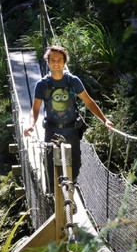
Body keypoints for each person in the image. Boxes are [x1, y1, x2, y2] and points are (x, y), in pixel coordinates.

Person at [23, 45, 114, 192]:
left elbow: (89, 101)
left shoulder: (73, 81)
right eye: (53, 60)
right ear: (48, 62)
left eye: (59, 60)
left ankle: (70, 194)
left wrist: (105, 120)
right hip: (52, 130)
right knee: (51, 165)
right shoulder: (42, 85)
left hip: (72, 129)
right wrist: (30, 125)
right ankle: (53, 196)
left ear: (65, 62)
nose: (56, 63)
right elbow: (35, 109)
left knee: (75, 164)